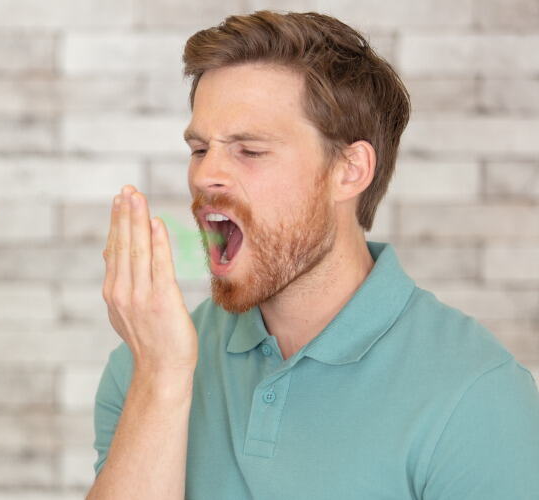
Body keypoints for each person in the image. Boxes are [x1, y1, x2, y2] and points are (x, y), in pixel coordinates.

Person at [88, 10, 539, 500]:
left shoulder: (477, 396)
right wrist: (161, 377)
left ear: (349, 170)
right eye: (200, 150)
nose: (203, 177)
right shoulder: (150, 364)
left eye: (250, 151)